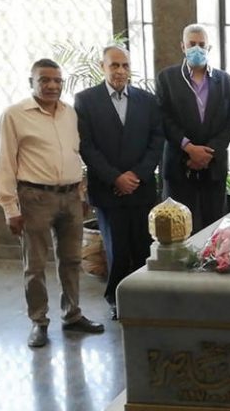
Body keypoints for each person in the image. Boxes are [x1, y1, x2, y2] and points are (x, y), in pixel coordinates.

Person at [0, 58, 104, 347]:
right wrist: (10, 208)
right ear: (31, 82)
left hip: (70, 196)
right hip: (35, 198)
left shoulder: (69, 113)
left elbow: (74, 154)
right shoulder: (14, 115)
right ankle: (39, 321)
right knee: (35, 264)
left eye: (57, 80)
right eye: (44, 80)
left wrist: (81, 193)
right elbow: (6, 164)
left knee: (72, 260)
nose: (52, 85)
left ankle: (72, 314)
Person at [76, 46, 164, 320]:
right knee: (117, 248)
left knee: (142, 246)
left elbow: (156, 141)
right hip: (108, 189)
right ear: (102, 67)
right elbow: (87, 146)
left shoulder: (147, 101)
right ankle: (116, 298)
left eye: (125, 65)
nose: (120, 71)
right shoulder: (86, 101)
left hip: (140, 187)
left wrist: (136, 175)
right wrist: (115, 177)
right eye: (114, 65)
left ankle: (142, 295)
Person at [157, 23, 230, 232]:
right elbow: (163, 117)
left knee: (214, 230)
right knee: (178, 229)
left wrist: (207, 153)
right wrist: (189, 148)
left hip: (213, 167)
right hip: (179, 166)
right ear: (182, 46)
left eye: (202, 45)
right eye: (191, 44)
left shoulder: (227, 82)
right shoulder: (167, 79)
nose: (197, 49)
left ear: (209, 48)